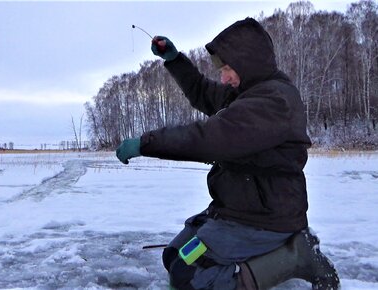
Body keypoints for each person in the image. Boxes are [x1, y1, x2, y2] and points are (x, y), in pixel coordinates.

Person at [115, 18, 340, 290]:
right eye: (221, 69)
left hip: (265, 217)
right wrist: (174, 60)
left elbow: (209, 138)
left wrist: (146, 143)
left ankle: (295, 258)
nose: (223, 77)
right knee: (174, 255)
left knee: (189, 276)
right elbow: (202, 91)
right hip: (234, 208)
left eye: (228, 68)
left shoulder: (273, 101)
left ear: (250, 63)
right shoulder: (246, 92)